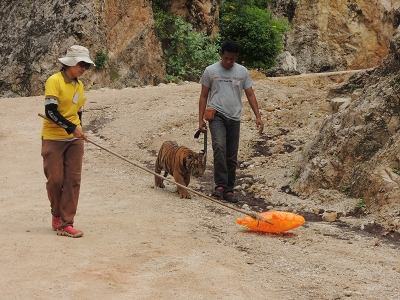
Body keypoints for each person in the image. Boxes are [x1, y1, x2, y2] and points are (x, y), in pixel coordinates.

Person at [198, 41, 264, 203]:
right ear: (221, 54)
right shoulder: (210, 71)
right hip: (216, 115)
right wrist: (200, 119)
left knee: (231, 155)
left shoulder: (242, 72)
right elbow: (204, 96)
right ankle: (220, 186)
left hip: (235, 117)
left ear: (236, 57)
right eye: (226, 58)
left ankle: (229, 188)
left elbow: (250, 94)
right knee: (219, 147)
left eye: (232, 59)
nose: (228, 62)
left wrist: (258, 116)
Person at [41, 45, 94, 238]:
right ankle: (56, 213)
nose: (83, 69)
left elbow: (77, 112)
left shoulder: (79, 86)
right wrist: (71, 128)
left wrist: (79, 130)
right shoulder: (54, 81)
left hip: (73, 141)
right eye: (81, 64)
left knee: (73, 180)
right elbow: (50, 112)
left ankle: (66, 223)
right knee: (55, 181)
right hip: (53, 137)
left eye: (86, 66)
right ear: (70, 63)